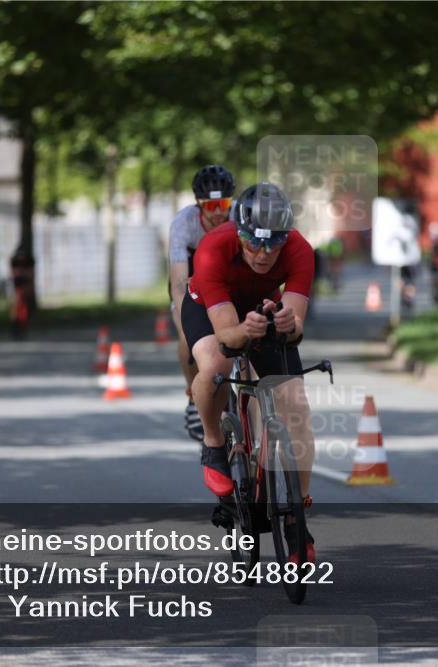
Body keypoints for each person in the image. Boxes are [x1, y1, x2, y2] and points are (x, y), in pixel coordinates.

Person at [182, 182, 317, 562]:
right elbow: (227, 335)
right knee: (216, 365)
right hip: (209, 309)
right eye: (254, 242)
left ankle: (296, 519)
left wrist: (288, 325)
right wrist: (244, 331)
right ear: (239, 232)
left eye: (274, 243)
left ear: (286, 237)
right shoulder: (213, 248)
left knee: (295, 403)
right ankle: (213, 443)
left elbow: (297, 329)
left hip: (263, 307)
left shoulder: (300, 250)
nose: (263, 253)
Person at [169, 165, 236, 442]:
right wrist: (186, 325)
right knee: (188, 342)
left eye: (224, 204)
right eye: (211, 205)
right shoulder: (184, 223)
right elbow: (178, 283)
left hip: (228, 279)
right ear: (198, 204)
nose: (219, 212)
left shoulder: (239, 216)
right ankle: (192, 396)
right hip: (191, 282)